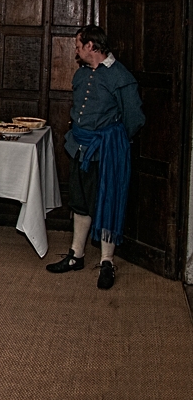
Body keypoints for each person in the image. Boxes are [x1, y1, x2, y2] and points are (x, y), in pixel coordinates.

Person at [46, 25, 144, 290]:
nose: (76, 50)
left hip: (105, 153)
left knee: (105, 203)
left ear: (91, 46)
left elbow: (134, 119)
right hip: (79, 148)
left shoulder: (120, 77)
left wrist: (114, 143)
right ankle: (76, 255)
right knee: (80, 202)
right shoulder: (81, 74)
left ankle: (107, 261)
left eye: (79, 45)